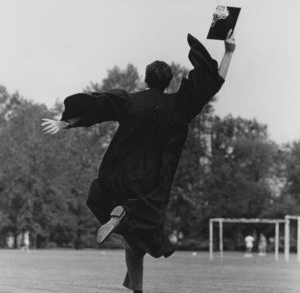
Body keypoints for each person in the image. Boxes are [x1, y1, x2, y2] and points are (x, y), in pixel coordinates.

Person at [42, 30, 236, 293]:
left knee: (129, 234)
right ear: (168, 83)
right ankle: (123, 219)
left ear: (146, 79)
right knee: (143, 232)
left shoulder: (130, 101)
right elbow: (212, 81)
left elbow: (98, 106)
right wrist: (228, 52)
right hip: (152, 188)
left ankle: (136, 286)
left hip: (119, 179)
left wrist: (65, 123)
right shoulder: (179, 105)